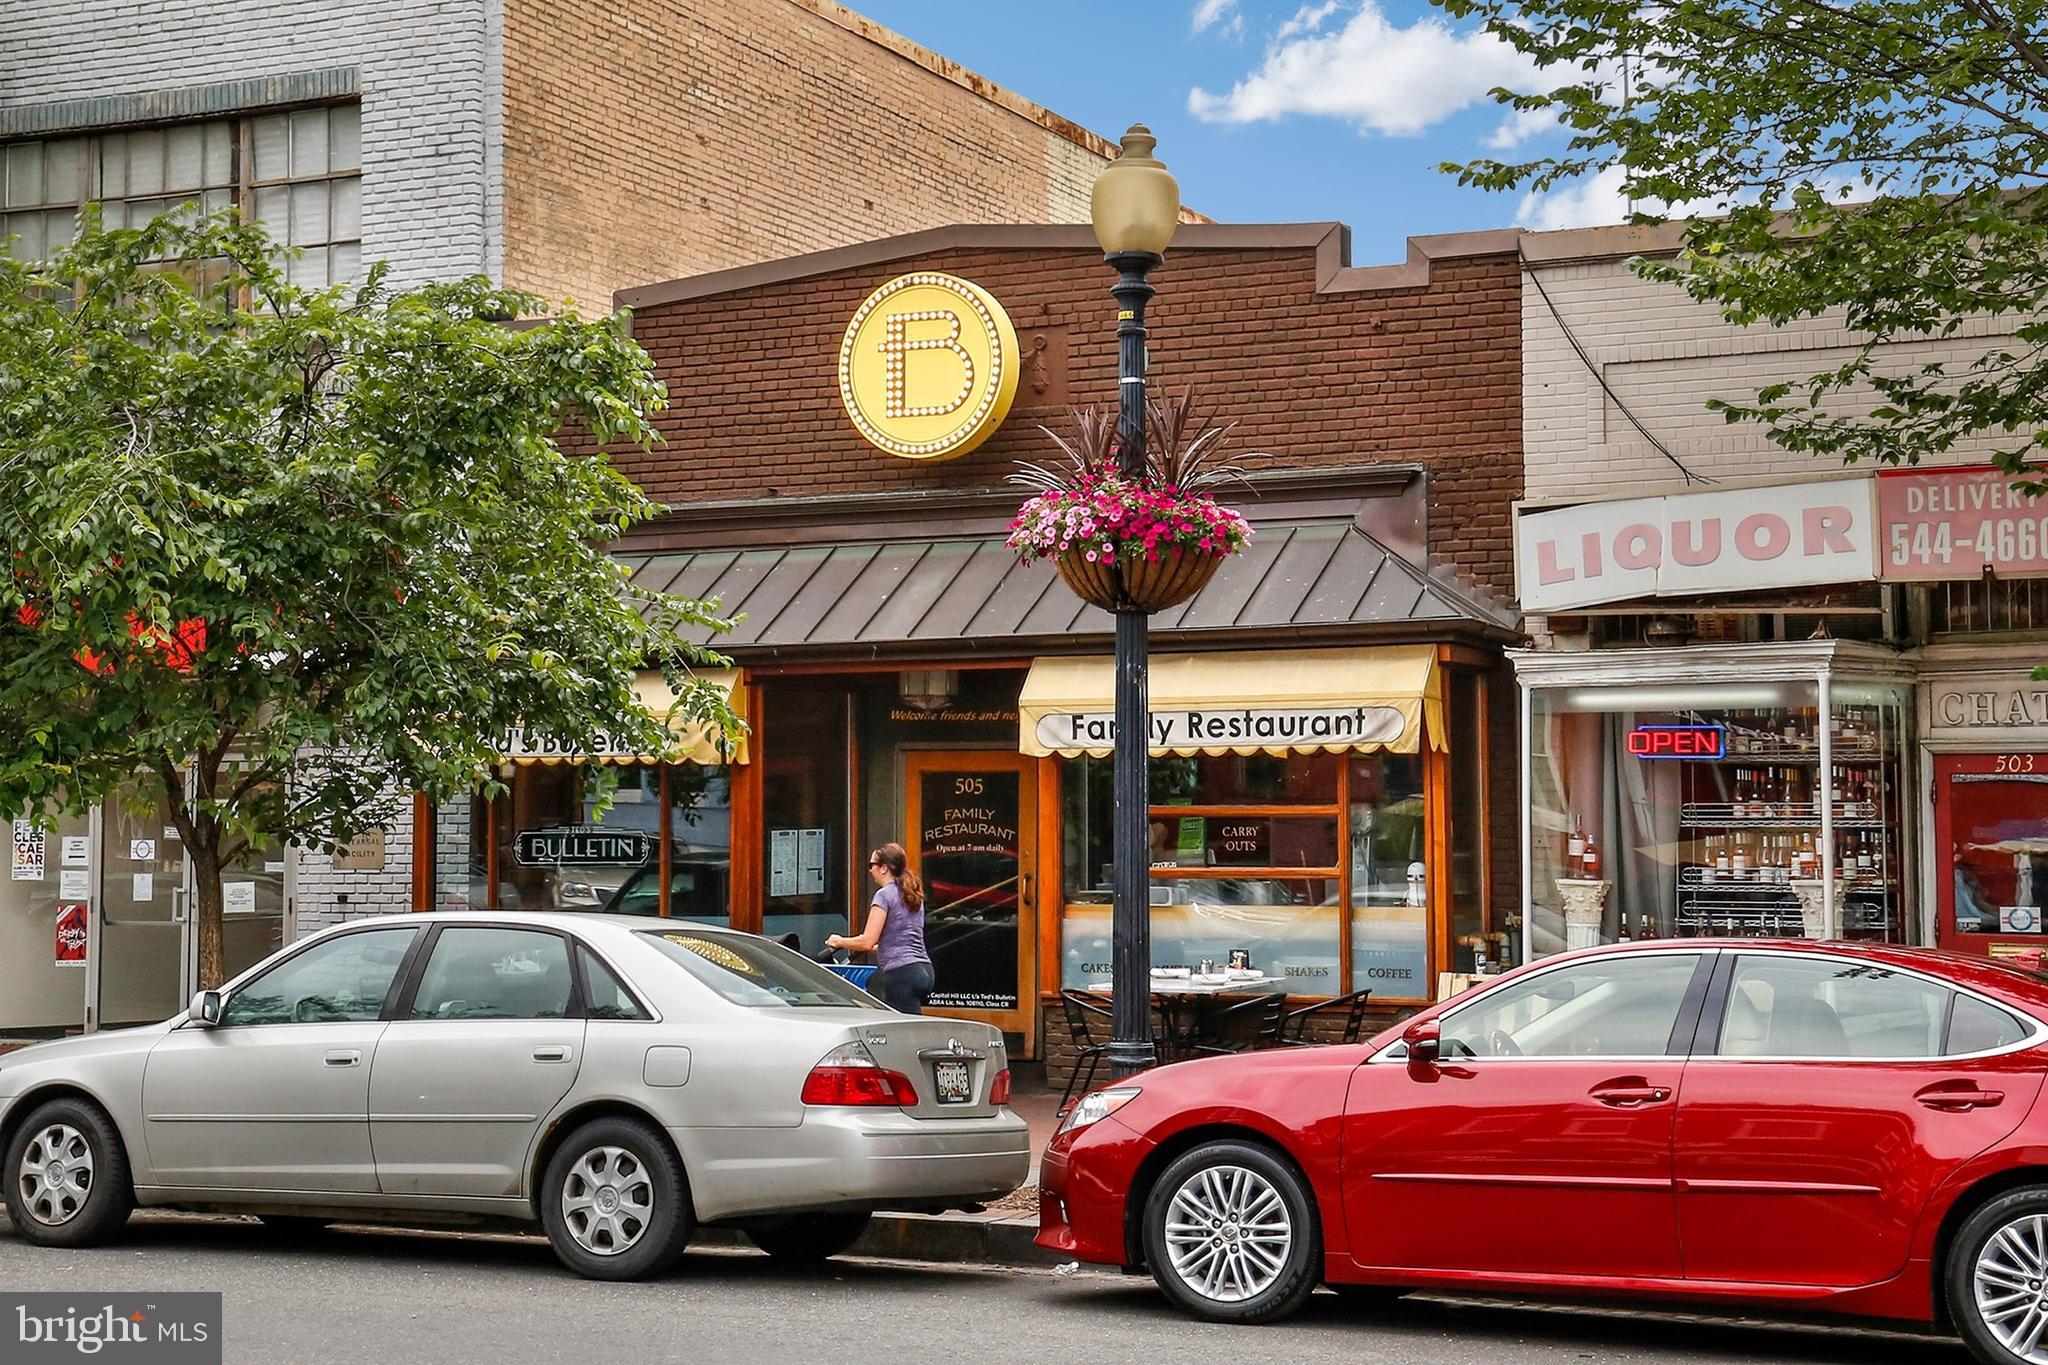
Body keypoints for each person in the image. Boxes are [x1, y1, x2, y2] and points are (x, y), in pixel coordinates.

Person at [827, 843, 933, 1014]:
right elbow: (897, 942)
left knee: (902, 1032)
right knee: (910, 1026)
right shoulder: (911, 895)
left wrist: (839, 941)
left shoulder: (884, 895)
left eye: (872, 865)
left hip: (902, 974)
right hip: (924, 970)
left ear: (884, 868)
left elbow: (867, 942)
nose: (870, 870)